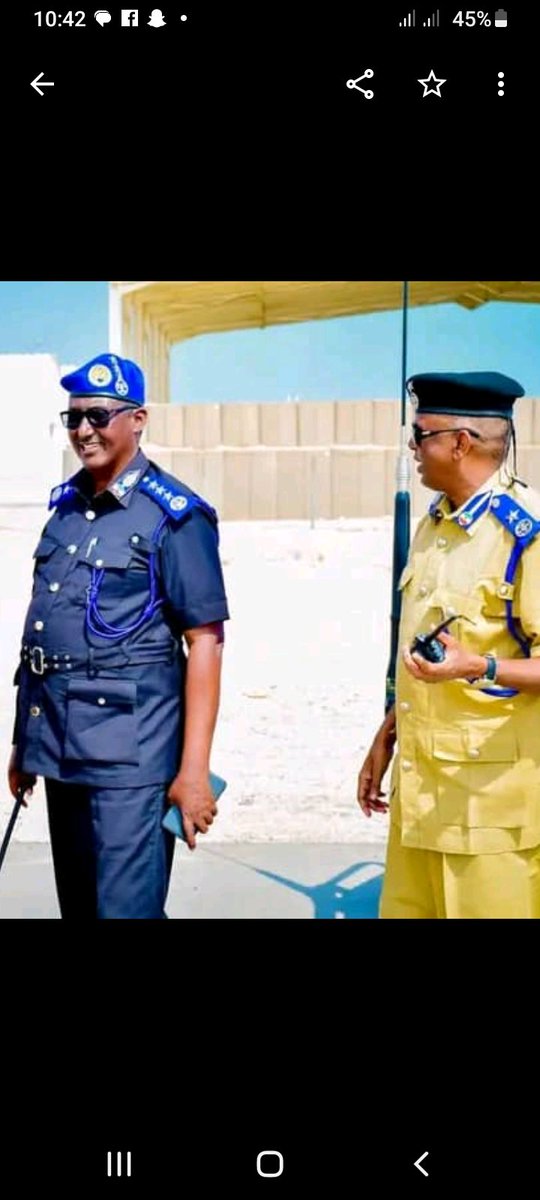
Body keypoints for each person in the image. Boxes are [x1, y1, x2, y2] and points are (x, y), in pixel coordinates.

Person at [7, 352, 229, 919]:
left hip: (131, 762)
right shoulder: (65, 509)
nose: (84, 431)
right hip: (60, 749)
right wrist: (23, 745)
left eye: (99, 416)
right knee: (79, 909)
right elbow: (44, 640)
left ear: (138, 419)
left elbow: (205, 641)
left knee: (125, 912)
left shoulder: (174, 516)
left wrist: (193, 774)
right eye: (74, 418)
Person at [357, 371, 540, 919]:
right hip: (422, 801)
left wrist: (478, 665)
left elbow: (470, 661)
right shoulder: (435, 526)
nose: (412, 449)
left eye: (421, 435)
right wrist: (388, 731)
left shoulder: (523, 533)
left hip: (489, 814)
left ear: (460, 443)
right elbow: (421, 650)